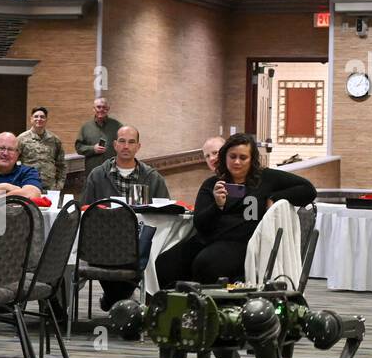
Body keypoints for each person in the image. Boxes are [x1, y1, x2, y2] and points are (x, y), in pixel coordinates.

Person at [155, 132, 315, 288]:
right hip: (208, 239)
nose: (237, 162)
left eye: (243, 157)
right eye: (233, 157)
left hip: (243, 242)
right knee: (164, 264)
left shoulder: (266, 178)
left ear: (251, 159)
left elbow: (308, 190)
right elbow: (200, 223)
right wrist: (217, 205)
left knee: (206, 264)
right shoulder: (212, 184)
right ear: (225, 157)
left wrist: (275, 197)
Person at [81, 125, 169, 311]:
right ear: (114, 144)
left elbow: (165, 214)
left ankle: (113, 299)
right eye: (122, 141)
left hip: (139, 244)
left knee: (142, 257)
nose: (126, 146)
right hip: (102, 245)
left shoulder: (154, 179)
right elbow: (85, 211)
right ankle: (117, 299)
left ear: (138, 146)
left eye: (131, 142)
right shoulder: (97, 175)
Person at [17, 106, 66, 190]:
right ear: (31, 119)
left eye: (42, 117)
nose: (39, 119)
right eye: (36, 116)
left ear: (46, 120)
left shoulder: (54, 139)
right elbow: (13, 162)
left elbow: (61, 165)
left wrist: (60, 185)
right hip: (28, 184)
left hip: (50, 186)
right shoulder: (21, 139)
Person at [75, 96, 123, 174]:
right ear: (94, 109)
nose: (101, 110)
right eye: (98, 107)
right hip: (93, 172)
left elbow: (124, 145)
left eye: (104, 107)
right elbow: (78, 147)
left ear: (108, 109)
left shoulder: (117, 126)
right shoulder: (86, 127)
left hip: (113, 171)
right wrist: (93, 149)